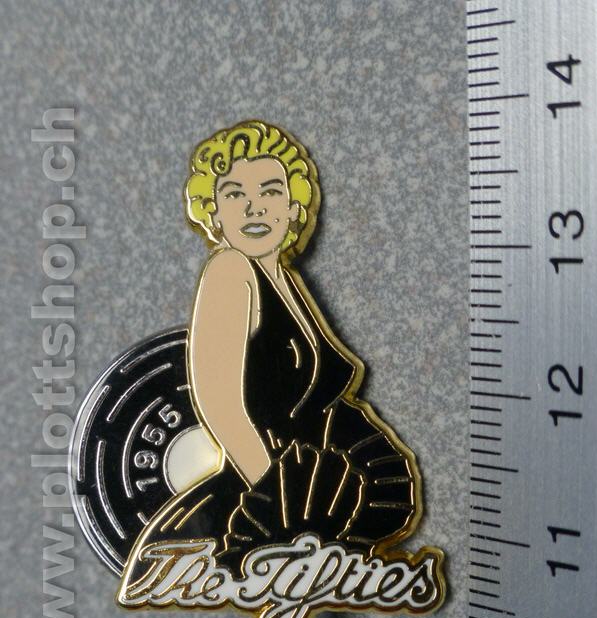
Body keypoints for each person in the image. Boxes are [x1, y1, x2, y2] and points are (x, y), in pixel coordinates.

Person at [123, 120, 422, 579]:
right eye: (234, 194)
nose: (254, 206)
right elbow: (221, 408)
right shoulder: (230, 271)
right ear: (213, 213)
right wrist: (278, 500)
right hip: (269, 500)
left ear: (293, 207)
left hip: (324, 498)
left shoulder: (285, 279)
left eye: (270, 191)